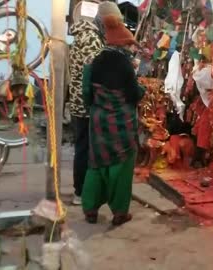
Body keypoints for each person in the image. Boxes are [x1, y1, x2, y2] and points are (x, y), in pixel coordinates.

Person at [81, 14, 145, 226]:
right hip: (122, 122)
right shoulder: (125, 66)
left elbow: (86, 93)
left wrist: (97, 105)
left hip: (99, 121)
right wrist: (142, 89)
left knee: (96, 164)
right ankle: (119, 213)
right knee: (121, 166)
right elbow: (134, 94)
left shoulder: (94, 62)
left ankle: (90, 209)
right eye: (129, 45)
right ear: (124, 45)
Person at [68, 2, 123, 205]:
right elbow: (95, 73)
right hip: (87, 104)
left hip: (78, 102)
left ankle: (82, 191)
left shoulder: (82, 36)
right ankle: (82, 192)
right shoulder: (91, 39)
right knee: (87, 149)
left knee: (83, 146)